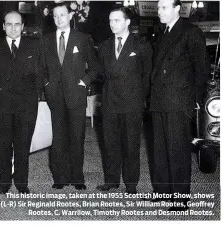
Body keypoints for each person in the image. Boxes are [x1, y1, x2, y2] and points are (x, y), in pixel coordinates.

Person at [149, 0, 209, 211]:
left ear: (177, 9)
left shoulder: (190, 31)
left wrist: (195, 99)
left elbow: (201, 69)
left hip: (178, 100)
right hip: (159, 99)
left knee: (177, 150)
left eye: (164, 7)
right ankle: (162, 191)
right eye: (158, 7)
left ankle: (180, 199)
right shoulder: (162, 32)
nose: (159, 11)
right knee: (160, 150)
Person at [40, 2, 100, 190]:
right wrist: (46, 84)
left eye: (62, 15)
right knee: (58, 139)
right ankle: (60, 178)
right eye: (55, 16)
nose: (58, 19)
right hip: (55, 96)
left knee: (76, 138)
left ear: (70, 16)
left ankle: (77, 177)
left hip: (76, 97)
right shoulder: (45, 40)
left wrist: (84, 81)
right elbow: (40, 68)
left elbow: (96, 67)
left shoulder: (82, 38)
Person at [0, 11, 43, 195]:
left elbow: (40, 74)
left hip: (27, 105)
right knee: (3, 145)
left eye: (17, 24)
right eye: (9, 24)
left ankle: (22, 183)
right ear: (3, 26)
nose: (14, 28)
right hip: (2, 105)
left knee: (23, 145)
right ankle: (3, 182)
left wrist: (36, 95)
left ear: (23, 27)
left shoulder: (34, 46)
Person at [96, 7, 152, 194]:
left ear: (127, 22)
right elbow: (101, 74)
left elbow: (147, 76)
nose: (112, 24)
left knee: (131, 144)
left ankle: (131, 184)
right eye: (110, 20)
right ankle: (111, 180)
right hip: (110, 102)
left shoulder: (141, 45)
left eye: (117, 20)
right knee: (110, 143)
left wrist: (141, 99)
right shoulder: (104, 46)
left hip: (132, 103)